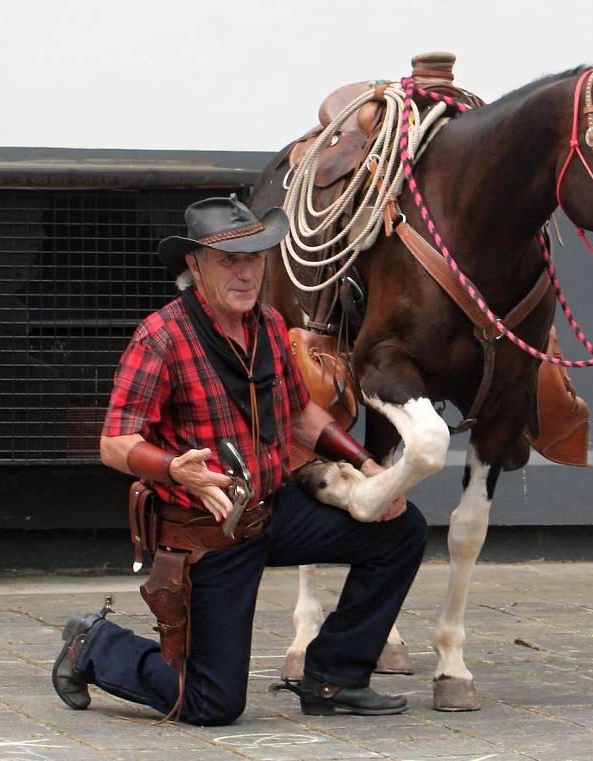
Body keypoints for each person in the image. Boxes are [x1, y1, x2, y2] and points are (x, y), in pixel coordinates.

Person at [51, 196, 427, 725]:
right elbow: (114, 444)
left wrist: (370, 469)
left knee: (401, 528)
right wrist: (173, 469)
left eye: (255, 256)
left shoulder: (270, 325)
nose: (247, 271)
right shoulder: (161, 338)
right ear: (194, 265)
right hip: (207, 536)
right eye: (230, 259)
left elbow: (301, 414)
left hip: (271, 513)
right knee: (213, 705)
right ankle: (95, 646)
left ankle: (333, 677)